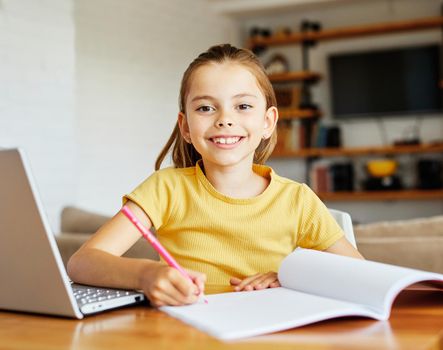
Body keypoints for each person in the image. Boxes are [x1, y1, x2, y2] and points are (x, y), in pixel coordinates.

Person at [68, 44, 363, 308]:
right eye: (206, 108)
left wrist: (290, 278)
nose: (224, 119)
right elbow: (82, 263)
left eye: (243, 106)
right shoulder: (166, 189)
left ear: (268, 122)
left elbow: (363, 278)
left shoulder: (297, 200)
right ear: (185, 126)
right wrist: (146, 274)